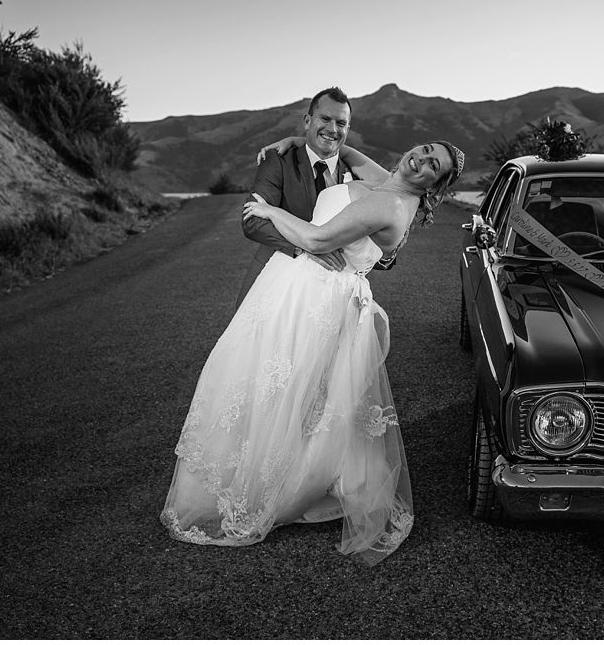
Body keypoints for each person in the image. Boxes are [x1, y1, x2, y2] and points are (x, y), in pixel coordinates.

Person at [160, 140, 465, 566]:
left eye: (434, 165)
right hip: (306, 289)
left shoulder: (392, 206)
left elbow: (318, 238)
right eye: (425, 149)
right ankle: (258, 466)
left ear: (436, 185)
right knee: (285, 384)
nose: (422, 159)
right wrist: (294, 143)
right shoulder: (390, 181)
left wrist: (271, 212)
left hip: (316, 296)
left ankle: (267, 486)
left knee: (282, 386)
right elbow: (355, 157)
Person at [237, 86, 384, 307]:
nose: (332, 129)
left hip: (334, 295)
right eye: (325, 118)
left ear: (348, 128)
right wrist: (307, 246)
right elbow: (252, 220)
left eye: (341, 123)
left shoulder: (356, 174)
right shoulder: (279, 160)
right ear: (307, 121)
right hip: (276, 279)